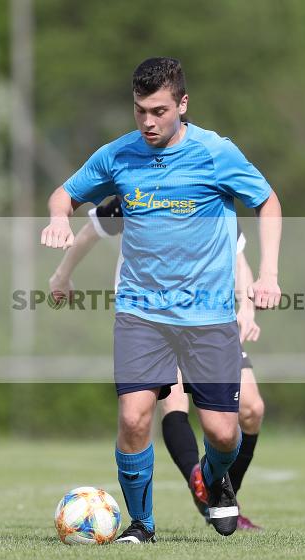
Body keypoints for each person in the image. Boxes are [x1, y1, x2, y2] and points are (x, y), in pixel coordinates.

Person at [41, 57, 282, 543]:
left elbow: (268, 202)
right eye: (139, 111)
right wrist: (59, 220)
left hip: (208, 316)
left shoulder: (217, 154)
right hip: (141, 313)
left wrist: (269, 273)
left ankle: (217, 483)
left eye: (158, 111)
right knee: (134, 418)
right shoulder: (118, 155)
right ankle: (141, 526)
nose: (148, 122)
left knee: (222, 433)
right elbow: (63, 194)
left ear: (183, 104)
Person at [49, 195, 266, 530]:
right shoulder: (137, 193)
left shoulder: (213, 196)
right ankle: (201, 498)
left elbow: (238, 259)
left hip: (210, 319)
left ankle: (220, 488)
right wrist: (62, 275)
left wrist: (247, 308)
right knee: (171, 403)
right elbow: (92, 229)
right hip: (151, 319)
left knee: (251, 409)